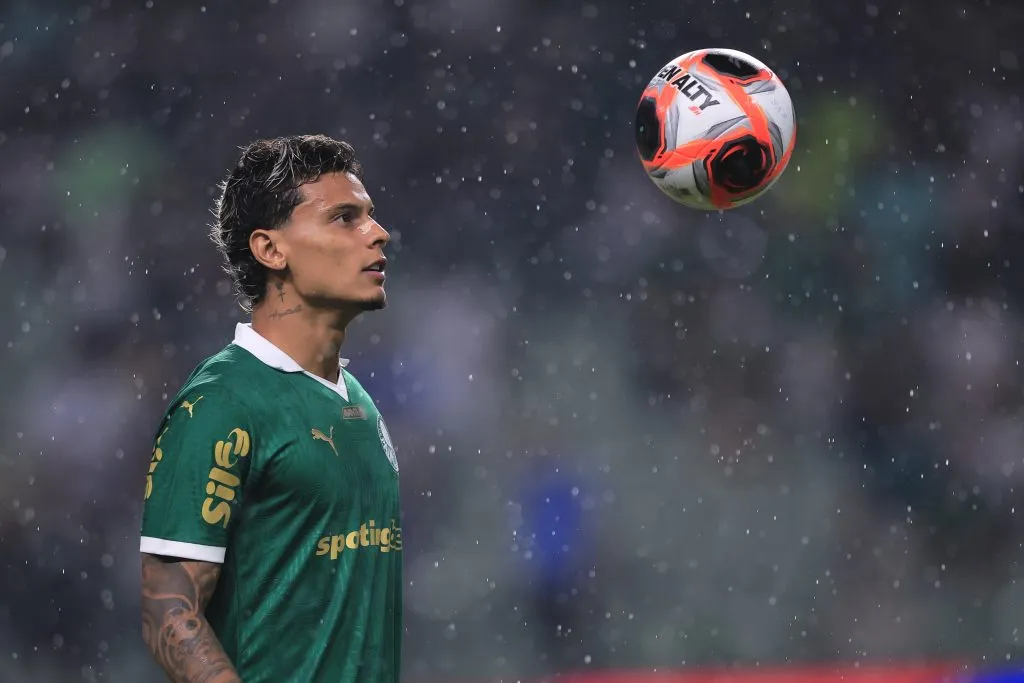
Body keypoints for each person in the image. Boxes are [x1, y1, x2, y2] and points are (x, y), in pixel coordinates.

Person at [138, 134, 402, 683]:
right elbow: (168, 608)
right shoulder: (221, 402)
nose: (378, 234)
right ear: (271, 250)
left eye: (370, 217)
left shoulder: (359, 404)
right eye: (344, 218)